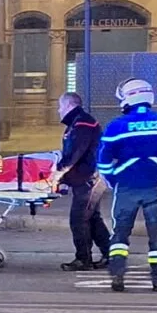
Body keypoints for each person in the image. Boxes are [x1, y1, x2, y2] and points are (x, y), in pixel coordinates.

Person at [96, 78, 157, 293]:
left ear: (128, 98)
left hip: (126, 187)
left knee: (119, 234)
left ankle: (117, 275)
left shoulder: (116, 126)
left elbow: (103, 159)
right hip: (155, 187)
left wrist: (113, 180)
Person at [51, 92, 111, 271]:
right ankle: (111, 255)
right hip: (88, 179)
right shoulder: (77, 122)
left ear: (69, 105)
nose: (58, 110)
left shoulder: (82, 123)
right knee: (92, 219)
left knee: (78, 219)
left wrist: (58, 173)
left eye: (60, 106)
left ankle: (83, 259)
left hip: (89, 180)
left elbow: (75, 154)